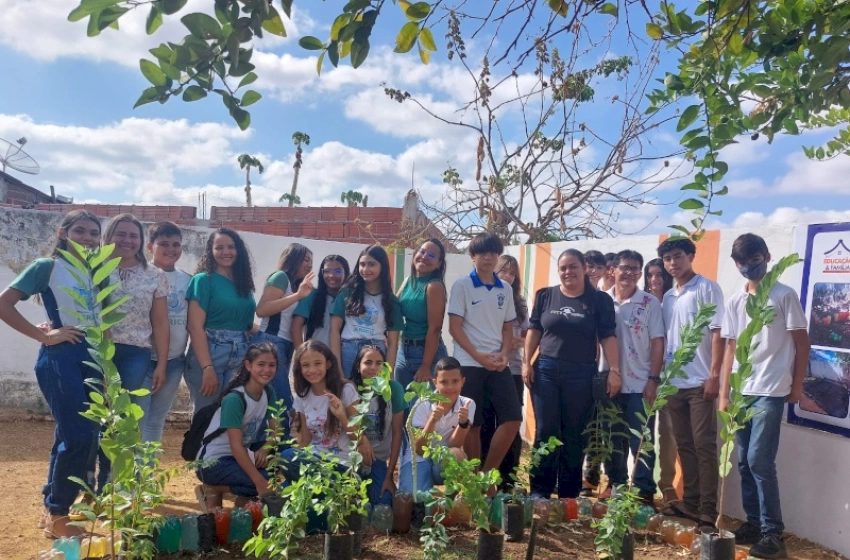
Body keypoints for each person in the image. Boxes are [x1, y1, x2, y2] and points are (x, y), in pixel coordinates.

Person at [0, 210, 102, 538]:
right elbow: (4, 303)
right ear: (62, 233)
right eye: (80, 231)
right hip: (61, 356)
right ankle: (59, 515)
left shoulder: (95, 272)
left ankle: (51, 510)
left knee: (73, 435)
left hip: (93, 358)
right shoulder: (48, 266)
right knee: (78, 436)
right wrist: (44, 335)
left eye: (93, 233)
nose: (88, 238)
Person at [720, 233, 809, 559]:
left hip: (770, 392)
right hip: (741, 392)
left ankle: (774, 535)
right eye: (742, 263)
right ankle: (754, 523)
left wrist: (796, 386)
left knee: (760, 460)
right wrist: (724, 393)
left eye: (754, 260)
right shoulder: (735, 300)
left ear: (767, 256)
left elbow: (802, 344)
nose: (748, 267)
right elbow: (731, 347)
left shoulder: (784, 296)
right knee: (743, 461)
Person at [523, 249, 620, 499]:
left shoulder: (599, 301)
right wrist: (526, 362)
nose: (568, 272)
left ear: (584, 268)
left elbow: (608, 336)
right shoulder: (546, 296)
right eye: (563, 267)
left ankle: (569, 493)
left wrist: (615, 371)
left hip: (581, 373)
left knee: (574, 433)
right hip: (545, 371)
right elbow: (534, 329)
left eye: (573, 266)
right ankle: (540, 490)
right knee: (546, 430)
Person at [658, 237, 725, 532]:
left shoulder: (707, 288)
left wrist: (714, 375)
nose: (673, 263)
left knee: (705, 446)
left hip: (700, 382)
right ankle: (692, 504)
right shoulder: (669, 296)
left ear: (691, 256)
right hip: (673, 382)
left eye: (678, 256)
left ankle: (708, 513)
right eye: (668, 259)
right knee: (685, 445)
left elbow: (718, 333)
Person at [448, 232, 521, 479]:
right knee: (473, 425)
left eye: (493, 253)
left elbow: (508, 327)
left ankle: (487, 477)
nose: (489, 258)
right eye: (483, 253)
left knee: (512, 419)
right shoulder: (462, 285)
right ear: (472, 256)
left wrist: (503, 353)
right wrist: (479, 357)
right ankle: (474, 478)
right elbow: (454, 327)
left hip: (499, 364)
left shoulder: (506, 288)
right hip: (469, 363)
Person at [600, 250, 665, 506]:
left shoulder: (650, 303)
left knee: (642, 439)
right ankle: (615, 483)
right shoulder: (602, 300)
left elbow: (658, 342)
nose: (629, 273)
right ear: (612, 270)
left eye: (635, 269)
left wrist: (653, 379)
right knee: (611, 436)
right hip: (608, 382)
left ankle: (643, 490)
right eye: (624, 267)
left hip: (640, 384)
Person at [102, 214, 170, 428]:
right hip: (98, 350)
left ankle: (111, 463)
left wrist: (161, 364)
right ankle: (92, 462)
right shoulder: (93, 269)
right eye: (120, 234)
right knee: (97, 412)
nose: (127, 240)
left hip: (135, 354)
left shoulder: (154, 275)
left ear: (141, 241)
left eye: (133, 235)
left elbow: (160, 323)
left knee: (121, 415)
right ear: (109, 236)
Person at [195, 342, 279, 511]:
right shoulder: (235, 399)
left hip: (239, 455)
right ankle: (212, 488)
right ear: (248, 365)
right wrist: (259, 482)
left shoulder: (268, 392)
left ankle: (243, 502)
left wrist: (265, 448)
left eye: (272, 365)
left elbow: (277, 430)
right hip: (213, 462)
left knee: (280, 461)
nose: (267, 370)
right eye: (261, 364)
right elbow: (235, 447)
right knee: (259, 483)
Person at [185, 228, 257, 413]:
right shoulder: (203, 280)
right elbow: (195, 327)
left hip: (241, 355)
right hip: (210, 353)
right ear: (211, 251)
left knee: (230, 415)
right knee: (205, 416)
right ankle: (197, 444)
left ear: (238, 250)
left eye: (231, 247)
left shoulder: (244, 285)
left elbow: (246, 325)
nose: (226, 252)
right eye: (219, 247)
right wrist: (207, 367)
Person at [481, 255, 529, 489]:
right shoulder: (485, 298)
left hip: (514, 371)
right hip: (487, 370)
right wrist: (509, 342)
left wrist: (509, 343)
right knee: (488, 423)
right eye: (504, 271)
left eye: (512, 273)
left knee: (511, 424)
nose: (508, 276)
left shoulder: (520, 304)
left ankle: (508, 479)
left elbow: (525, 339)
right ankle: (487, 478)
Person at [143, 221, 192, 443]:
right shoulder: (140, 275)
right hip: (141, 358)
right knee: (136, 417)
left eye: (176, 244)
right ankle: (127, 473)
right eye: (164, 244)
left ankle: (146, 473)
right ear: (149, 246)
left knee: (156, 419)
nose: (171, 249)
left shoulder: (188, 281)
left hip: (174, 361)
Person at [280, 340, 361, 475]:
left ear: (328, 364)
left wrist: (341, 415)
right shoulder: (303, 396)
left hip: (341, 465)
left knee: (288, 458)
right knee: (287, 458)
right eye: (305, 365)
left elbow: (358, 438)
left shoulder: (346, 390)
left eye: (318, 363)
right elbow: (306, 439)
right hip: (314, 460)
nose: (312, 370)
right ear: (299, 368)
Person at [254, 243, 316, 409]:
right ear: (293, 259)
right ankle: (284, 435)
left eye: (311, 261)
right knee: (282, 401)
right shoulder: (280, 277)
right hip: (271, 341)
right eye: (306, 260)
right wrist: (298, 295)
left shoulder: (299, 286)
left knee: (270, 400)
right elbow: (262, 309)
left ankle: (267, 435)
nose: (309, 265)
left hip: (286, 345)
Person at [399, 357, 474, 493]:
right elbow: (420, 449)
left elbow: (454, 444)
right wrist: (432, 421)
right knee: (412, 498)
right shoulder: (422, 404)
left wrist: (463, 423)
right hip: (419, 459)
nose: (450, 387)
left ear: (462, 382)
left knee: (455, 455)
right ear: (435, 383)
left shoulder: (468, 405)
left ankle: (454, 508)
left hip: (442, 461)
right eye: (444, 382)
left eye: (455, 381)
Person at [330, 245, 403, 377]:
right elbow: (334, 330)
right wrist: (338, 368)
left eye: (371, 264)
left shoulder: (391, 301)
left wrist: (388, 374)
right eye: (362, 264)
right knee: (349, 395)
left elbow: (393, 343)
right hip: (349, 350)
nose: (365, 269)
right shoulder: (347, 292)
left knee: (374, 397)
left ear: (383, 266)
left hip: (377, 352)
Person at [645, 257, 682, 509]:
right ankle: (642, 485)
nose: (655, 280)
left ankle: (667, 485)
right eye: (650, 275)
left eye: (659, 275)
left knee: (668, 433)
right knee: (642, 432)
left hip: (669, 378)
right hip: (642, 377)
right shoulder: (642, 303)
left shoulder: (673, 302)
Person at [350, 345, 406, 505]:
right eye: (368, 362)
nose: (373, 367)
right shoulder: (350, 388)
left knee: (383, 502)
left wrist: (389, 476)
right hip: (351, 460)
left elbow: (397, 434)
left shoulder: (394, 389)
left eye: (379, 363)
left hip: (378, 460)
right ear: (358, 366)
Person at [395, 239, 449, 388]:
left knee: (427, 407)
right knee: (402, 405)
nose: (424, 257)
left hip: (426, 353)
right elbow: (393, 310)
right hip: (404, 350)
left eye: (432, 255)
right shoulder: (407, 281)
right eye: (422, 251)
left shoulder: (434, 286)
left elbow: (435, 328)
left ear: (439, 264)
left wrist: (426, 365)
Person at [291, 255, 350, 346]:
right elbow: (295, 328)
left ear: (346, 273)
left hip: (343, 357)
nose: (331, 275)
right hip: (315, 356)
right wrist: (302, 355)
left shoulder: (352, 299)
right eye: (326, 271)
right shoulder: (311, 295)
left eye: (337, 271)